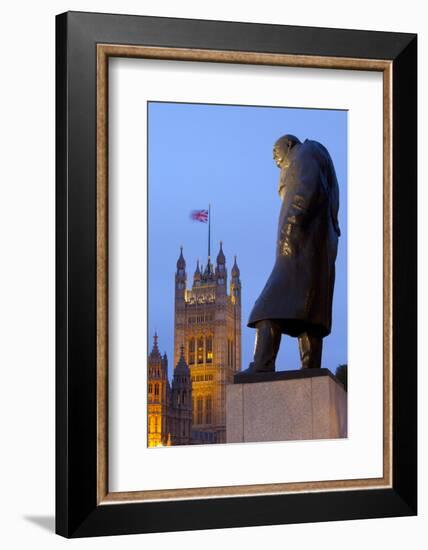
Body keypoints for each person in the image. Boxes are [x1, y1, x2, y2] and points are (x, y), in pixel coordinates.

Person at [244, 134, 340, 373]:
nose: (276, 161)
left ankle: (262, 364)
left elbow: (304, 193)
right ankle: (310, 368)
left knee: (265, 310)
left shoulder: (304, 155)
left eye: (276, 154)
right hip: (316, 254)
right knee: (310, 319)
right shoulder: (319, 159)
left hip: (297, 248)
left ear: (288, 145)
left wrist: (290, 226)